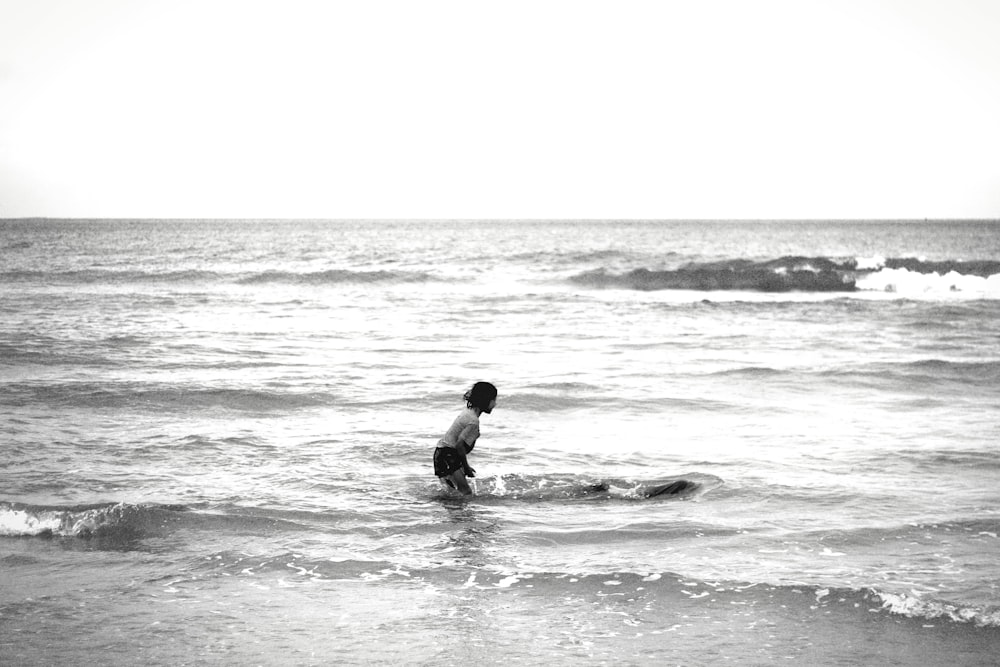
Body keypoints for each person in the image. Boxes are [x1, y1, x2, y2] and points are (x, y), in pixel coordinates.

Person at [433, 381, 497, 496]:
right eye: (494, 400)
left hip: (442, 453)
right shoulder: (473, 421)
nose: (495, 404)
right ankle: (460, 513)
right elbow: (459, 445)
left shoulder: (468, 413)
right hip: (448, 455)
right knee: (466, 492)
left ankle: (452, 512)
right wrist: (466, 467)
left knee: (451, 492)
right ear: (485, 400)